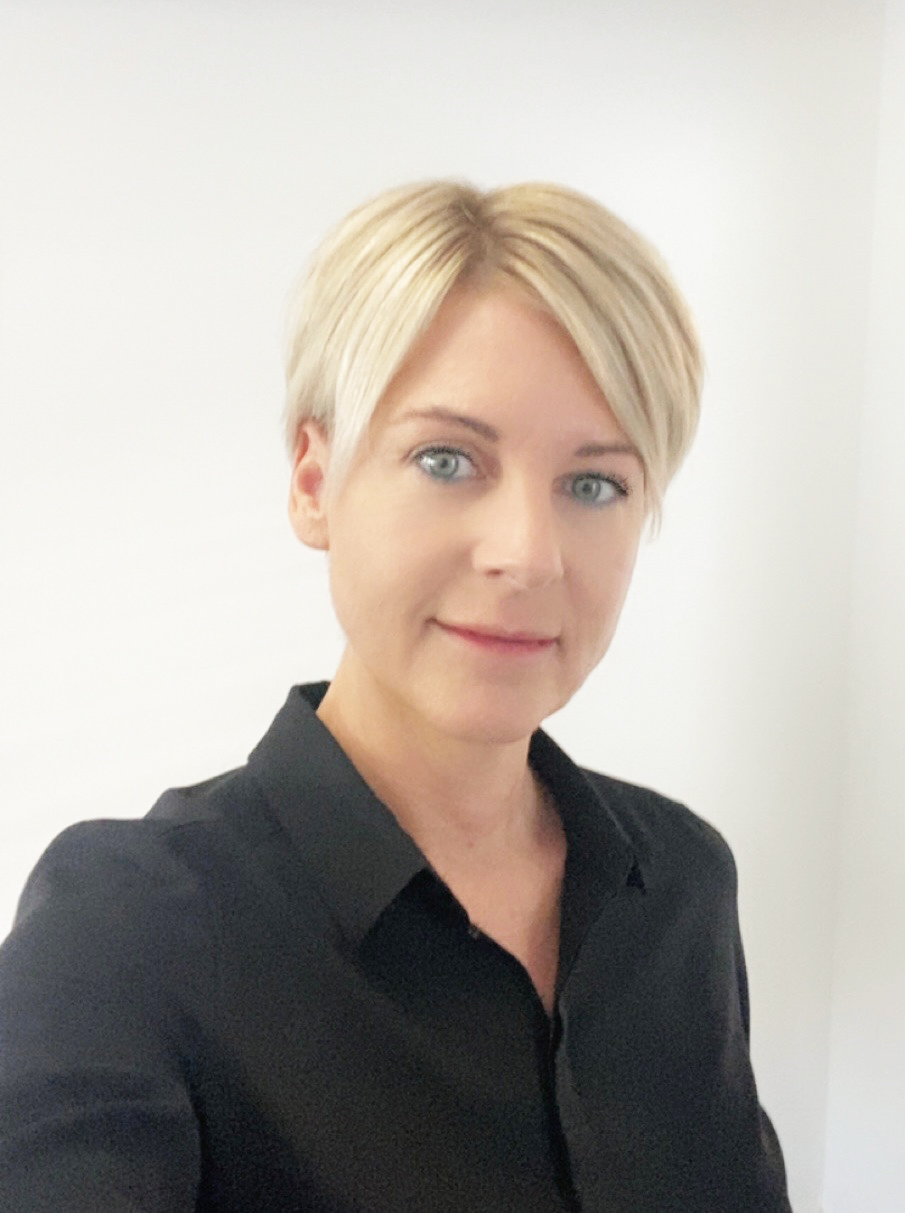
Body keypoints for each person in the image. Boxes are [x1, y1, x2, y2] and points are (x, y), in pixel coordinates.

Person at [0, 181, 792, 1212]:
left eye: (593, 483)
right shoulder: (127, 929)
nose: (527, 554)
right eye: (446, 459)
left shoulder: (680, 879)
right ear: (313, 481)